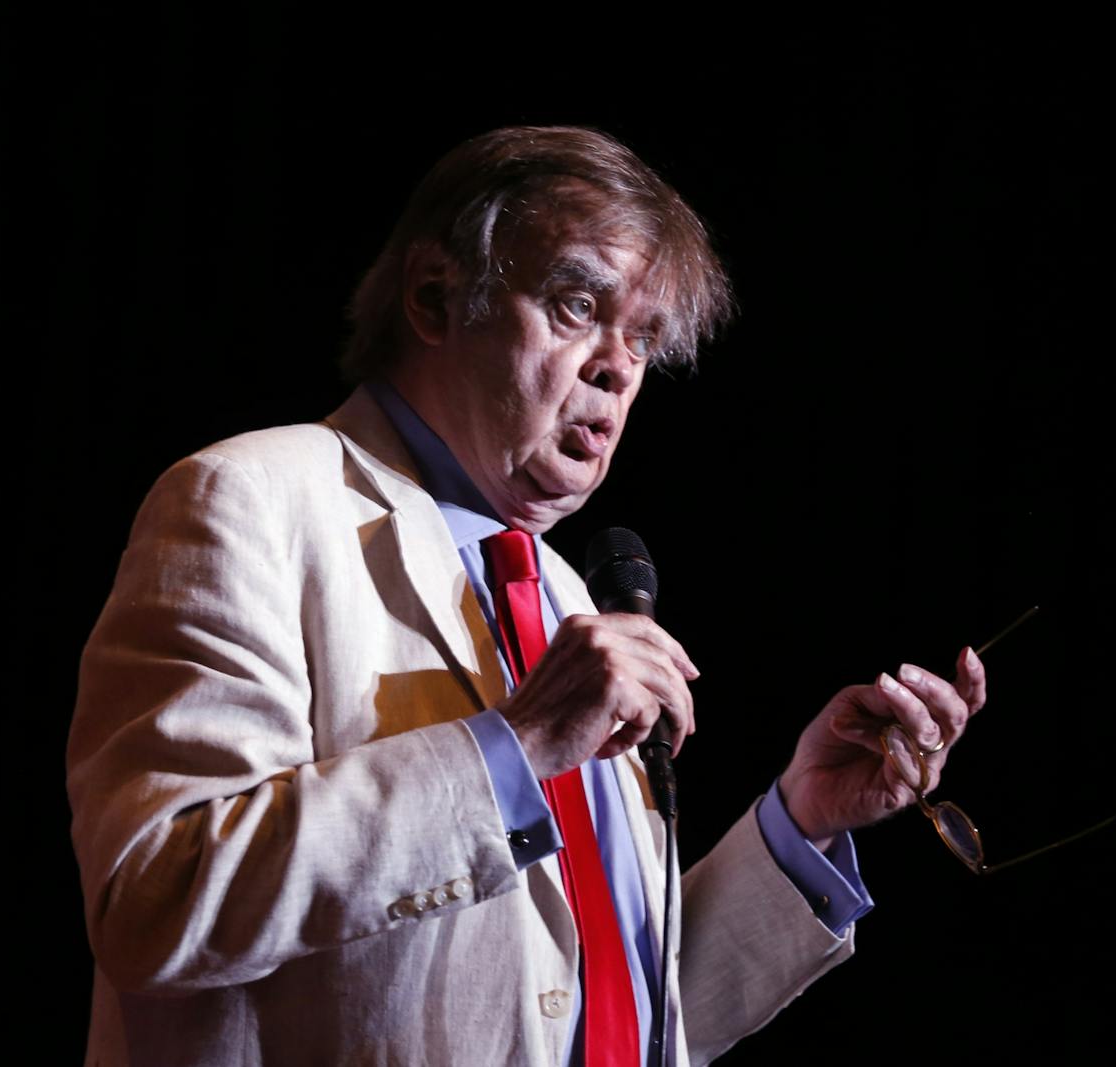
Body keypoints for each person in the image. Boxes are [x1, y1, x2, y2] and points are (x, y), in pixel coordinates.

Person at [67, 126, 987, 1066]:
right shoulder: (254, 501)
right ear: (434, 298)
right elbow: (155, 899)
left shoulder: (562, 596)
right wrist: (513, 748)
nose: (618, 367)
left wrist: (801, 821)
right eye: (577, 305)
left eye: (643, 340)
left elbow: (613, 1015)